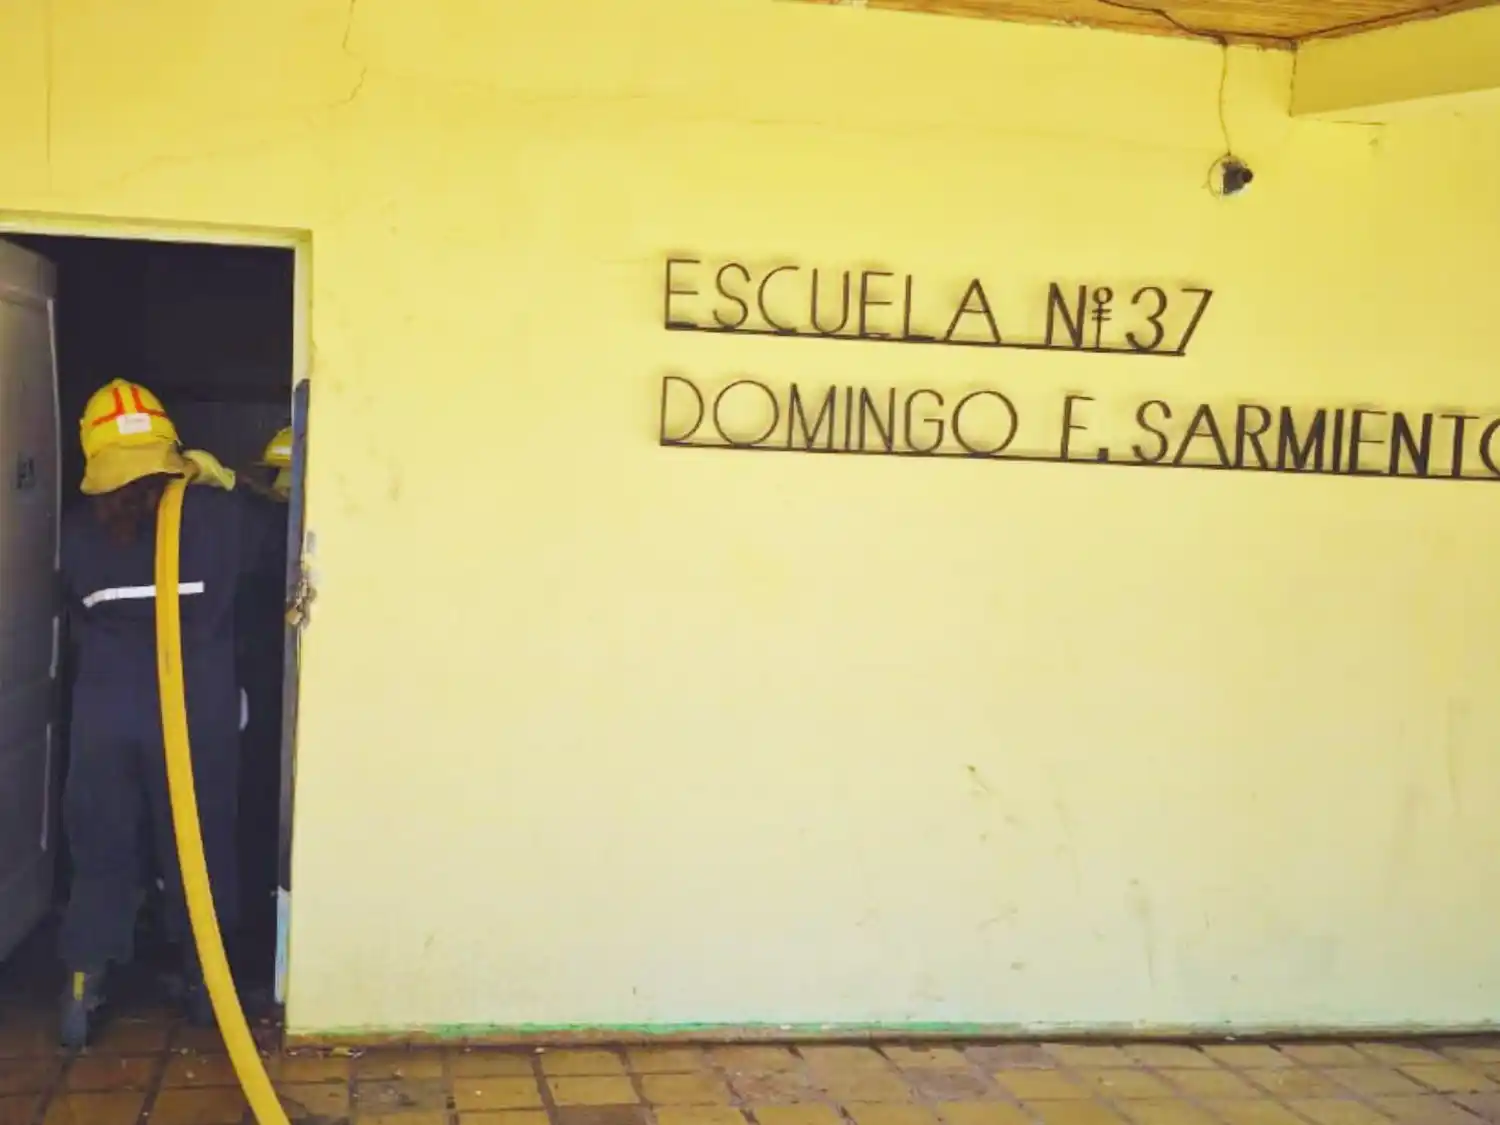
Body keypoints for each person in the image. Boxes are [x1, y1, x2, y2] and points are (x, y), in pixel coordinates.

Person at [57, 379, 281, 1047]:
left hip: (105, 713)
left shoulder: (76, 531)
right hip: (195, 711)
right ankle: (206, 984)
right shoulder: (222, 517)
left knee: (101, 847)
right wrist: (232, 484)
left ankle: (84, 984)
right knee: (200, 843)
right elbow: (283, 549)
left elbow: (72, 608)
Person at [232, 426, 293, 985]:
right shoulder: (283, 534)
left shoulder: (259, 529)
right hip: (270, 684)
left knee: (255, 797)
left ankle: (251, 922)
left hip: (257, 687)